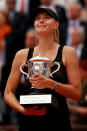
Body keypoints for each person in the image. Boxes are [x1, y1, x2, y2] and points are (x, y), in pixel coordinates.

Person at [4, 6, 81, 131]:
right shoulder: (21, 54)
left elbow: (77, 93)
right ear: (34, 24)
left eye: (46, 18)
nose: (41, 21)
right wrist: (23, 110)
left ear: (56, 24)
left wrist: (50, 83)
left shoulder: (68, 52)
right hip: (29, 122)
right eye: (37, 18)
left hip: (58, 121)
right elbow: (8, 93)